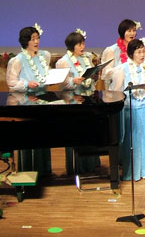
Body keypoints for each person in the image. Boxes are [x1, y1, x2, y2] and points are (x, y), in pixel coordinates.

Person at [109, 39, 145, 181]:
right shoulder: (122, 68)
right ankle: (134, 171)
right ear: (131, 54)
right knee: (134, 140)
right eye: (138, 52)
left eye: (143, 51)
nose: (142, 55)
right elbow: (116, 90)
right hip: (131, 109)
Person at [6, 24, 52, 175]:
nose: (36, 41)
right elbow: (12, 83)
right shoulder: (18, 60)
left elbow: (47, 74)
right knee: (29, 138)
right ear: (25, 41)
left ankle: (44, 171)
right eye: (33, 39)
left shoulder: (44, 56)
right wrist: (27, 84)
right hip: (26, 102)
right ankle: (28, 171)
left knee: (43, 136)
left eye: (37, 38)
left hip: (43, 101)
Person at [56, 29, 100, 175]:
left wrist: (94, 77)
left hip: (88, 100)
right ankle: (77, 167)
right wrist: (73, 81)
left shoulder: (86, 58)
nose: (83, 47)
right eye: (79, 44)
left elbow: (90, 80)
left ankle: (91, 165)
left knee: (90, 132)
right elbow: (62, 84)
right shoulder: (63, 61)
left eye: (83, 43)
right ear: (72, 46)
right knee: (76, 134)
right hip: (74, 102)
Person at [101, 19, 139, 87]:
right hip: (118, 87)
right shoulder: (112, 50)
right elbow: (106, 73)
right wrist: (122, 69)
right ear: (122, 32)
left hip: (135, 85)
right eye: (129, 31)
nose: (132, 33)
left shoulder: (137, 49)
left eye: (134, 30)